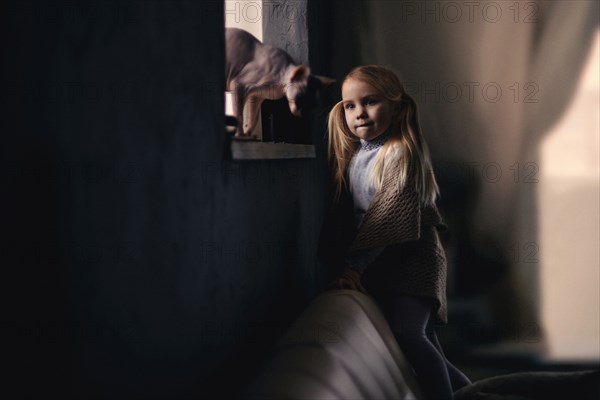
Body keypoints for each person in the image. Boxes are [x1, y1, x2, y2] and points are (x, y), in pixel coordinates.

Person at [318, 65, 471, 400]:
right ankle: (473, 394)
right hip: (386, 260)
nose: (359, 113)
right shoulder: (358, 155)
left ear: (397, 107)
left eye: (370, 102)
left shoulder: (399, 153)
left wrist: (353, 267)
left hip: (414, 262)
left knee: (410, 335)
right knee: (427, 344)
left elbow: (385, 217)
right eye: (350, 105)